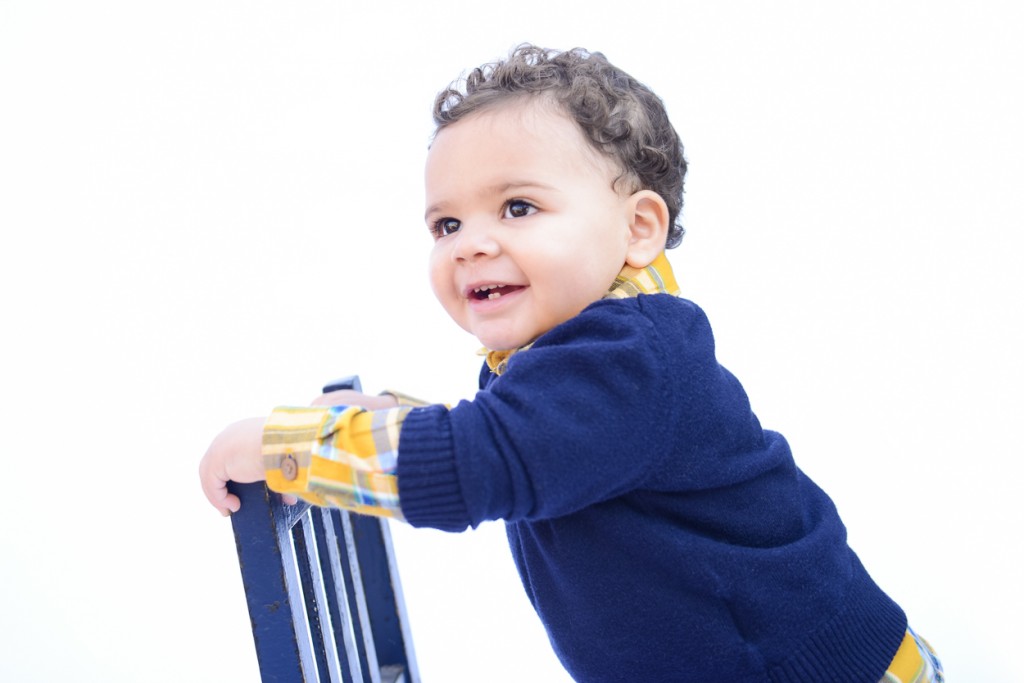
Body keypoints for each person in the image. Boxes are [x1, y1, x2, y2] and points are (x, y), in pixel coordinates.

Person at [200, 44, 943, 683]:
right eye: (447, 222)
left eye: (518, 207)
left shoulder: (628, 361)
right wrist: (388, 418)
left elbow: (480, 463)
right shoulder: (577, 358)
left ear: (638, 227)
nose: (468, 243)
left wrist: (285, 445)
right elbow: (506, 441)